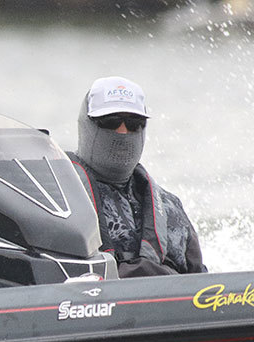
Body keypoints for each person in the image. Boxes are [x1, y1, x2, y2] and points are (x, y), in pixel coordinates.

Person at [67, 76, 206, 277]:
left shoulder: (171, 208)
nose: (123, 132)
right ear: (87, 124)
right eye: (111, 121)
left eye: (134, 123)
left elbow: (204, 284)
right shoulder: (57, 198)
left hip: (165, 295)